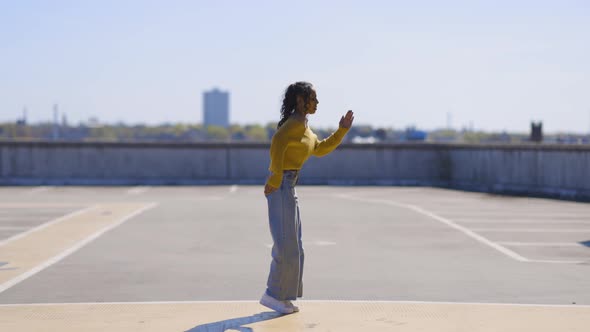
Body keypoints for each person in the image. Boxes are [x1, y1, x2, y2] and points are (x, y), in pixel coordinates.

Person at [259, 81, 354, 314]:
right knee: (285, 244)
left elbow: (320, 149)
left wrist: (341, 130)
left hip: (289, 188)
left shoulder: (306, 130)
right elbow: (277, 146)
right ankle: (273, 295)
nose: (317, 102)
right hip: (280, 187)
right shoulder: (290, 127)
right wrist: (274, 179)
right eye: (313, 98)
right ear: (300, 101)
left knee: (296, 246)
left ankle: (283, 295)